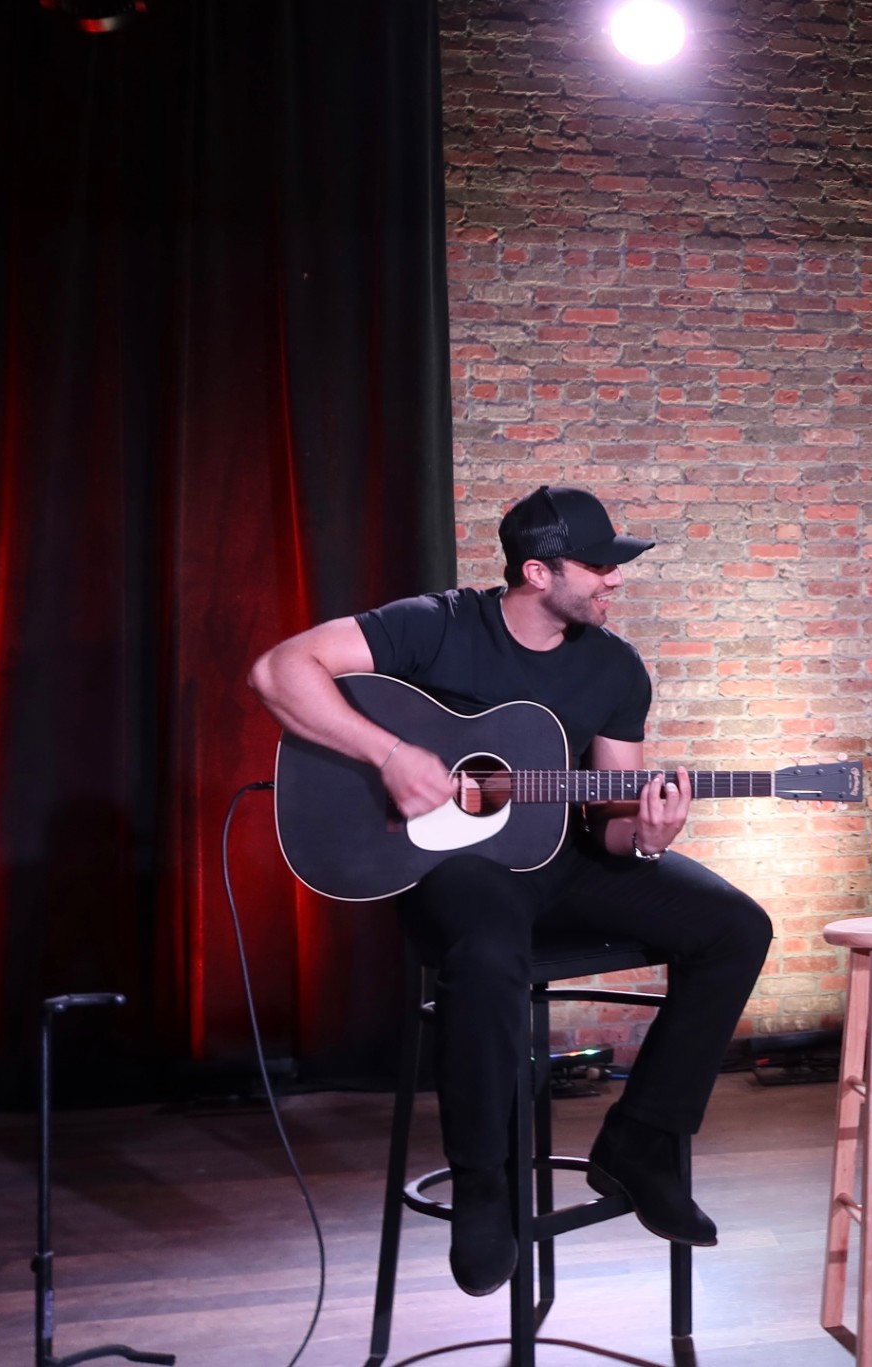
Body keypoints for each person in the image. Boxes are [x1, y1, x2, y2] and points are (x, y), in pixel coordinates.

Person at [249, 486, 772, 1296]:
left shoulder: (615, 666)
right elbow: (280, 668)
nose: (614, 582)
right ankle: (484, 1183)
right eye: (599, 565)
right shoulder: (438, 623)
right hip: (459, 872)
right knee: (491, 951)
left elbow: (608, 817)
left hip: (563, 864)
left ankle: (642, 1139)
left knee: (736, 926)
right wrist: (390, 753)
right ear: (537, 570)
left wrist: (647, 834)